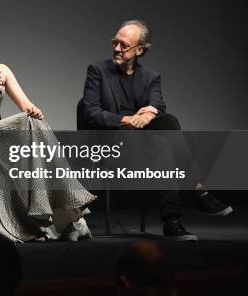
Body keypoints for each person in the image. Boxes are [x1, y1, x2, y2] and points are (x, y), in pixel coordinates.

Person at [0, 18, 96, 242]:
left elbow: (25, 104)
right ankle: (59, 206)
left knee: (34, 122)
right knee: (28, 127)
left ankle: (59, 208)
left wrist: (34, 110)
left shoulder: (2, 69)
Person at [82, 19, 232, 240]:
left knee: (165, 128)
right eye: (115, 42)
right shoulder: (98, 71)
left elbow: (158, 103)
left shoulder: (151, 77)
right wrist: (128, 119)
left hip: (146, 143)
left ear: (140, 50)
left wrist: (149, 113)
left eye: (124, 45)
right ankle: (198, 192)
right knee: (163, 132)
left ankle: (173, 220)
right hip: (115, 145)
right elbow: (90, 112)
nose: (116, 48)